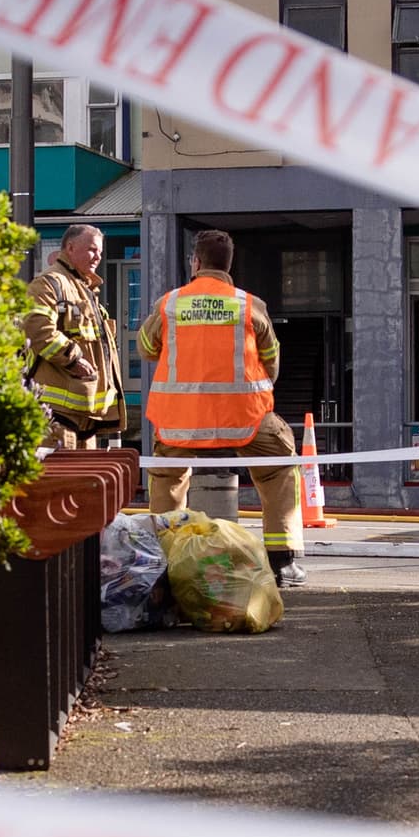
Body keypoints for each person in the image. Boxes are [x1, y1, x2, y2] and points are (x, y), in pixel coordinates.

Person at [138, 228, 305, 591]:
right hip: (243, 418)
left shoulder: (169, 304)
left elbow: (146, 348)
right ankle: (283, 562)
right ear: (229, 265)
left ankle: (165, 558)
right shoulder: (249, 304)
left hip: (179, 423)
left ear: (195, 262)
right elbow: (272, 360)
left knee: (167, 477)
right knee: (279, 469)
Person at [21, 223, 123, 447]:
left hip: (85, 414)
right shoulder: (49, 283)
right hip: (56, 414)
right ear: (70, 247)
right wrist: (74, 358)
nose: (97, 257)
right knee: (58, 481)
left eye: (100, 252)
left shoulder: (84, 290)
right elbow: (38, 330)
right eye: (91, 250)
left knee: (84, 481)